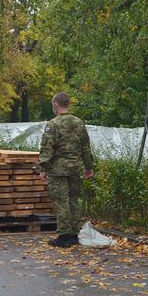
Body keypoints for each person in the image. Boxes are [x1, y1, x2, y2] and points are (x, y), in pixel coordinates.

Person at [38, 92, 94, 248]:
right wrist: (89, 167)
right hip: (75, 169)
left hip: (58, 170)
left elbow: (47, 148)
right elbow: (86, 148)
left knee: (61, 202)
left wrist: (43, 168)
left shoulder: (52, 124)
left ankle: (64, 236)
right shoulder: (79, 123)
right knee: (74, 201)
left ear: (56, 105)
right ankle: (74, 235)